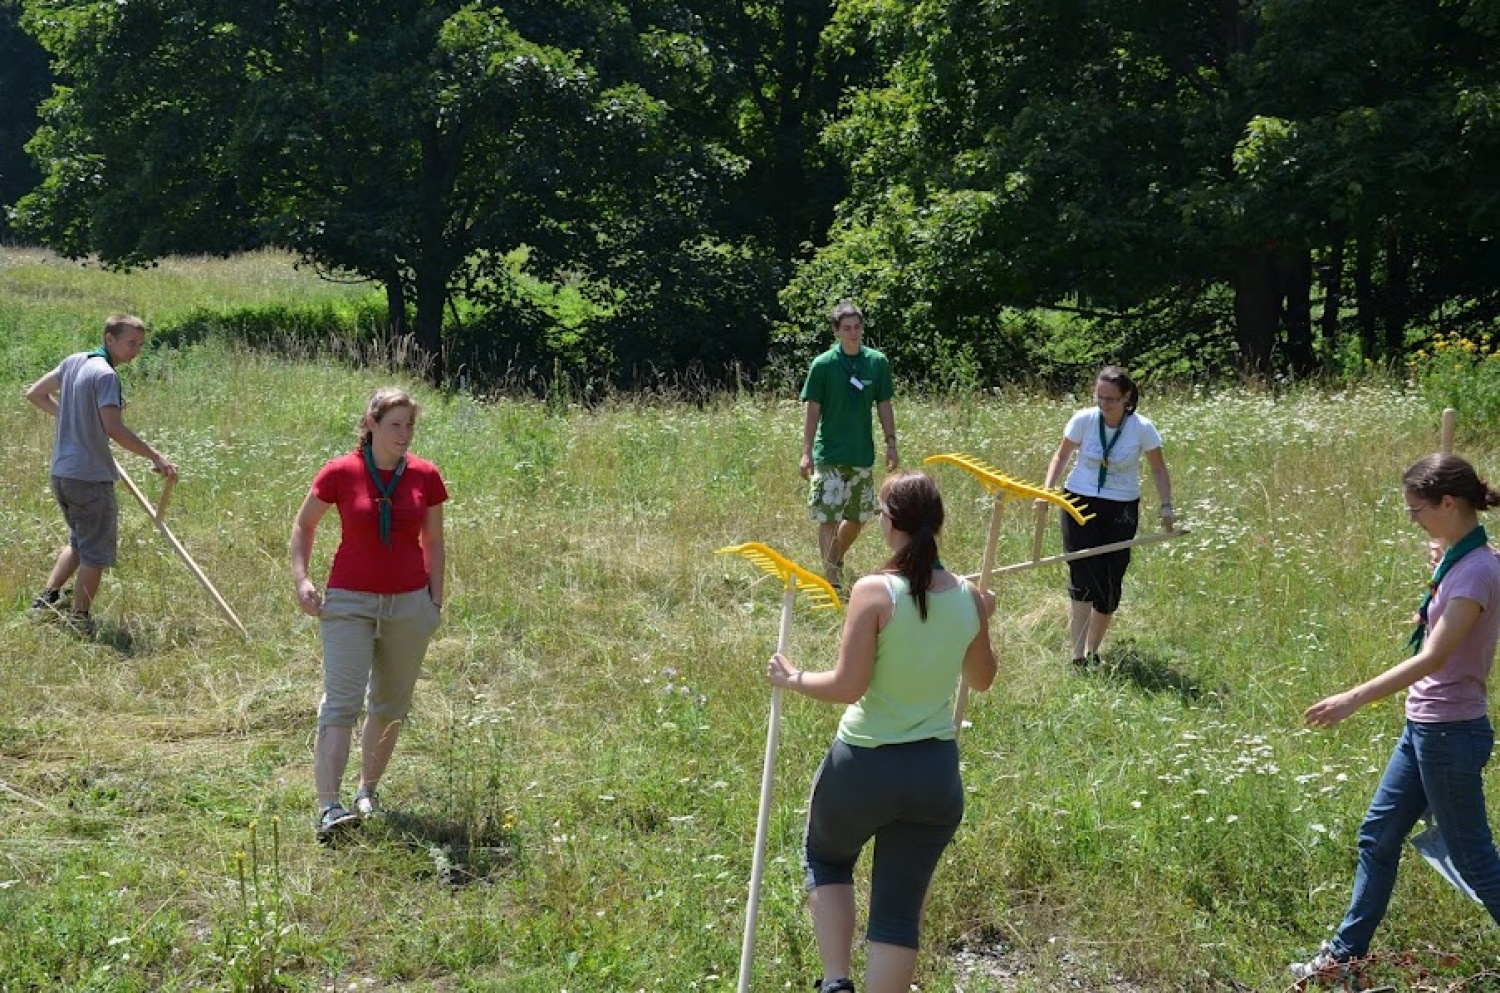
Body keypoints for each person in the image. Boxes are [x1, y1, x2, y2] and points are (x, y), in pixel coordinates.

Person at [766, 470, 997, 993]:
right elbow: (982, 680)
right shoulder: (969, 597)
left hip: (865, 766)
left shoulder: (873, 591)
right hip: (935, 776)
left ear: (889, 522)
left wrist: (793, 676)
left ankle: (836, 983)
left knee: (827, 857)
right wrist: (984, 617)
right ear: (936, 523)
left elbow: (849, 687)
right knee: (896, 916)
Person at [1291, 453, 1500, 982]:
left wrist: (1353, 698)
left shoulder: (1475, 570)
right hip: (1425, 728)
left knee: (1474, 860)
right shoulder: (1463, 555)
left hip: (1450, 734)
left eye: (1417, 510)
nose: (1413, 519)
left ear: (1448, 503)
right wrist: (1442, 564)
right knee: (1378, 837)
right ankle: (1343, 959)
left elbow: (1434, 657)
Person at [289, 387, 447, 841]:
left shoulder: (425, 476)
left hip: (409, 604)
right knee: (341, 702)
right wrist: (302, 579)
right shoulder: (341, 472)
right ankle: (328, 808)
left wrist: (433, 603)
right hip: (349, 603)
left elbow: (433, 542)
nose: (404, 434)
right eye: (396, 424)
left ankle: (367, 793)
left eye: (410, 425)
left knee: (391, 704)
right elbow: (304, 525)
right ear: (372, 424)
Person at [24, 314, 178, 631]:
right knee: (95, 552)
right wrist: (156, 456)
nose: (136, 350)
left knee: (80, 541)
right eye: (130, 343)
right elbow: (115, 429)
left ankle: (47, 598)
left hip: (62, 475)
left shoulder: (74, 361)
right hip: (89, 478)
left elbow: (35, 393)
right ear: (110, 339)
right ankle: (80, 618)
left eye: (140, 344)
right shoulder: (106, 374)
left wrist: (73, 416)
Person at [1039, 365, 1174, 666]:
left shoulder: (1142, 428)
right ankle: (1077, 658)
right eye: (1100, 398)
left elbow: (1158, 469)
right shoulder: (1084, 420)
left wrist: (1166, 505)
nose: (1104, 405)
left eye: (1111, 399)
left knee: (1110, 579)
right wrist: (1047, 492)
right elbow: (1061, 456)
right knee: (1082, 575)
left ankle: (1093, 651)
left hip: (1121, 506)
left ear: (1127, 398)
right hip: (1079, 501)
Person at [800, 301, 898, 592]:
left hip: (861, 453)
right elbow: (812, 410)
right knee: (828, 517)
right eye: (846, 328)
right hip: (829, 453)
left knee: (858, 518)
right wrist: (806, 452)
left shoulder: (876, 363)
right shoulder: (823, 365)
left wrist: (891, 443)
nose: (853, 333)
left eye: (857, 327)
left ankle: (834, 558)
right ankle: (832, 581)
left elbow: (884, 404)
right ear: (836, 332)